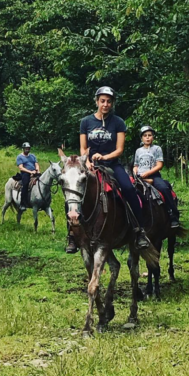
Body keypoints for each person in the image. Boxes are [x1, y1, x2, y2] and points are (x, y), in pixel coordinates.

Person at [70, 86, 150, 254]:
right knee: (72, 190)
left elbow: (119, 149)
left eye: (108, 101)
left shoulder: (118, 122)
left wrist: (105, 158)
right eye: (102, 101)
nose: (105, 104)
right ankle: (71, 234)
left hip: (112, 164)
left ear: (112, 103)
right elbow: (83, 147)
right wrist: (88, 161)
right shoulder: (86, 122)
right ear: (97, 102)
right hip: (90, 165)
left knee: (129, 189)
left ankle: (139, 230)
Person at [133, 126, 180, 229]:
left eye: (150, 135)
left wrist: (148, 173)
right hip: (140, 177)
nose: (147, 138)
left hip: (153, 176)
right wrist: (135, 172)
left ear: (153, 137)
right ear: (142, 138)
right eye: (145, 136)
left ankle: (173, 214)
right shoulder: (138, 151)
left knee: (164, 188)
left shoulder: (157, 148)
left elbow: (159, 165)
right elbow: (136, 165)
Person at [16, 142, 40, 212]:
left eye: (28, 148)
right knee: (25, 184)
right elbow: (21, 168)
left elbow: (36, 164)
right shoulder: (20, 157)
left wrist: (37, 170)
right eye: (26, 148)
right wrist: (30, 172)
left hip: (34, 172)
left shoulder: (33, 156)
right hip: (25, 173)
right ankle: (23, 204)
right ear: (23, 149)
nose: (27, 150)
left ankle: (45, 201)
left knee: (43, 181)